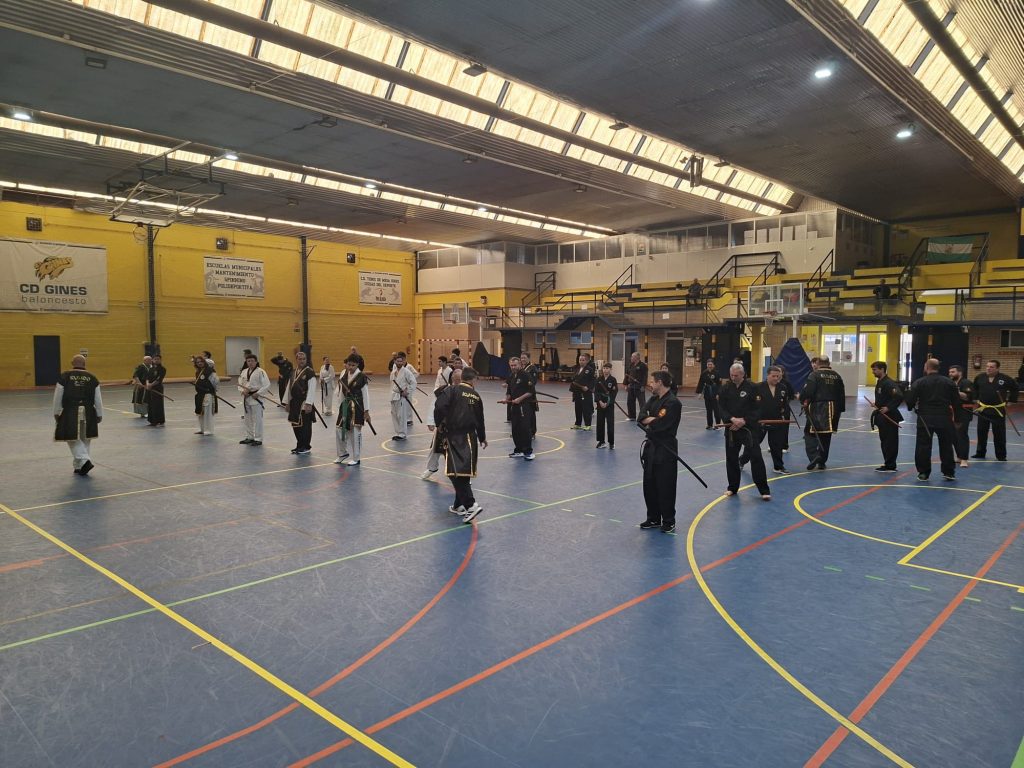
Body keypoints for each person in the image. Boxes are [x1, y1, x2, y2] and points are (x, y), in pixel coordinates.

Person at [434, 366, 487, 522]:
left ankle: (470, 505)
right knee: (462, 472)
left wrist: (440, 424)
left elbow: (439, 407)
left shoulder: (452, 390)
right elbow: (480, 419)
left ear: (462, 377)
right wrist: (482, 437)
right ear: (473, 379)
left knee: (455, 472)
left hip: (455, 436)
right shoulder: (476, 396)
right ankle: (459, 505)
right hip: (471, 437)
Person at [638, 370, 683, 532]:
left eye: (652, 381)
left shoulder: (673, 403)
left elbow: (661, 425)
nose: (650, 384)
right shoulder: (653, 399)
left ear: (660, 382)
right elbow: (641, 417)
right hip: (651, 448)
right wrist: (652, 419)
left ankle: (668, 520)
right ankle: (654, 518)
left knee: (665, 486)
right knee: (649, 485)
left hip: (666, 448)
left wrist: (651, 420)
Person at [718, 362, 772, 500]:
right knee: (731, 459)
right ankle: (732, 487)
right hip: (731, 428)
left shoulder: (753, 387)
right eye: (731, 375)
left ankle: (764, 490)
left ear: (743, 374)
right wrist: (732, 419)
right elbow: (721, 407)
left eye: (736, 375)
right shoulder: (725, 388)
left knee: (756, 457)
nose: (733, 378)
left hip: (749, 428)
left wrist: (744, 420)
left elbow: (758, 408)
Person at [905, 358, 958, 481]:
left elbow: (910, 400)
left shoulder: (919, 382)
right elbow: (956, 401)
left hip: (925, 419)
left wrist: (911, 406)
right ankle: (949, 472)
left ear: (927, 367)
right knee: (946, 445)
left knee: (923, 446)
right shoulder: (949, 382)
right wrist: (957, 418)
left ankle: (923, 473)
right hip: (944, 418)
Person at [53, 354, 103, 475]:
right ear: (84, 364)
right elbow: (98, 398)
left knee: (70, 437)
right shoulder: (93, 378)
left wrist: (56, 412)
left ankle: (84, 460)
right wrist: (99, 413)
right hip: (89, 411)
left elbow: (58, 396)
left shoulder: (65, 376)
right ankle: (79, 466)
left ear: (72, 363)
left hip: (70, 411)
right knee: (85, 438)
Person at [800, 356, 845, 470]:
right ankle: (822, 462)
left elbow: (808, 391)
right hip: (835, 408)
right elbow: (841, 393)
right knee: (826, 435)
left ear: (818, 363)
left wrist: (802, 399)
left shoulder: (814, 375)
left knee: (809, 433)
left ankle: (814, 456)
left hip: (819, 407)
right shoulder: (837, 375)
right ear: (829, 363)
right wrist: (840, 410)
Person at [422, 357, 462, 479]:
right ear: (452, 378)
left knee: (458, 450)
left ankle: (461, 474)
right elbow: (435, 405)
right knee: (435, 447)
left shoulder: (466, 391)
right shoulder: (443, 390)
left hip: (458, 426)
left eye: (461, 378)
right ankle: (432, 468)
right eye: (457, 378)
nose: (459, 380)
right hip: (443, 425)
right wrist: (431, 421)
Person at [972, 359, 1020, 461]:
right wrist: (975, 398)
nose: (988, 368)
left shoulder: (1005, 378)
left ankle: (1001, 455)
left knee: (999, 434)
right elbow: (974, 388)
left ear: (997, 368)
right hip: (983, 409)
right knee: (981, 432)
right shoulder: (980, 377)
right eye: (987, 366)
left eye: (991, 367)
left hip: (998, 409)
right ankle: (980, 453)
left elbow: (1015, 388)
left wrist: (1012, 400)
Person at [749, 365, 791, 474]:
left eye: (778, 376)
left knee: (776, 445)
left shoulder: (783, 388)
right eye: (773, 376)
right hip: (760, 421)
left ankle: (778, 466)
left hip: (776, 421)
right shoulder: (758, 387)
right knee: (754, 444)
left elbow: (785, 405)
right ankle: (742, 461)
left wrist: (784, 416)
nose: (776, 378)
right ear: (767, 375)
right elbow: (751, 405)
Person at [336, 354, 370, 466]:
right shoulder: (344, 375)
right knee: (339, 429)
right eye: (349, 365)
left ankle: (356, 458)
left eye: (353, 365)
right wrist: (340, 406)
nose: (350, 367)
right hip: (345, 406)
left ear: (357, 365)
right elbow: (342, 392)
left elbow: (365, 395)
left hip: (357, 407)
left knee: (355, 432)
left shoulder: (361, 377)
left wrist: (366, 411)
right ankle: (342, 453)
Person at [869, 361, 903, 472]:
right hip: (882, 416)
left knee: (890, 441)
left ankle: (891, 465)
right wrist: (877, 404)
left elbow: (898, 396)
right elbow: (884, 397)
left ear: (882, 369)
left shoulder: (889, 383)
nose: (873, 372)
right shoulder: (880, 382)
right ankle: (888, 463)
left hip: (890, 416)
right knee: (885, 441)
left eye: (875, 370)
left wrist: (888, 407)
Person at [502, 356, 536, 460]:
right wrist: (506, 399)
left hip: (524, 406)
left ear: (520, 364)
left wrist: (519, 399)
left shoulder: (525, 375)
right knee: (515, 428)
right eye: (511, 365)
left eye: (515, 365)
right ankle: (519, 450)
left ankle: (528, 452)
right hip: (514, 406)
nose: (513, 367)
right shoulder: (512, 375)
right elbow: (509, 391)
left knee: (525, 428)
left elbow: (530, 391)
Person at [283, 350, 317, 454]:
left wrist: (309, 403)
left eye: (304, 359)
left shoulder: (309, 372)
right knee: (295, 424)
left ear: (306, 360)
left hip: (304, 402)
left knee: (305, 425)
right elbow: (289, 387)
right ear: (296, 360)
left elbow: (312, 388)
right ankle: (299, 445)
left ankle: (306, 446)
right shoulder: (293, 372)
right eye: (300, 359)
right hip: (294, 402)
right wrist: (287, 402)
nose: (302, 361)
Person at [237, 353, 271, 446]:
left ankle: (258, 439)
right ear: (246, 362)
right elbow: (239, 383)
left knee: (257, 419)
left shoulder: (261, 372)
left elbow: (266, 385)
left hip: (256, 397)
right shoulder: (244, 371)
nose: (250, 363)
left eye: (252, 361)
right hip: (247, 397)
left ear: (256, 362)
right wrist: (242, 391)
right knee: (247, 419)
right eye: (248, 361)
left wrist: (258, 393)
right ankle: (250, 437)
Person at [948, 365, 975, 468]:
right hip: (951, 412)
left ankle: (964, 459)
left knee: (961, 435)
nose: (950, 374)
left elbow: (967, 396)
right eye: (950, 372)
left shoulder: (966, 383)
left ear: (959, 372)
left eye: (953, 372)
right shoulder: (950, 383)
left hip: (963, 412)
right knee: (953, 435)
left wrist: (955, 391)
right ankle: (959, 456)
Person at [389, 351, 417, 440]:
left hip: (401, 396)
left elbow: (413, 383)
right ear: (394, 361)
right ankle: (398, 432)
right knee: (394, 415)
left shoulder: (406, 372)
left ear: (403, 362)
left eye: (401, 361)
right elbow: (391, 385)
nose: (399, 363)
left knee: (401, 415)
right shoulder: (393, 372)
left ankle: (402, 434)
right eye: (398, 361)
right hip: (394, 396)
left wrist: (407, 391)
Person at [192, 354, 219, 435]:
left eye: (201, 361)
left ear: (204, 362)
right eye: (197, 362)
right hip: (200, 394)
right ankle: (202, 429)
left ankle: (208, 430)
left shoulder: (210, 370)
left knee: (207, 413)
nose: (199, 363)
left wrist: (212, 390)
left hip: (208, 394)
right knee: (200, 413)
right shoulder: (198, 371)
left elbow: (216, 381)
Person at [594, 362, 618, 450]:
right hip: (600, 404)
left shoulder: (613, 380)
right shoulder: (599, 379)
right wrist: (600, 402)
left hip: (609, 405)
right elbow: (596, 392)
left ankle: (611, 442)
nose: (605, 370)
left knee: (610, 424)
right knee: (600, 423)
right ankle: (601, 442)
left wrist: (607, 403)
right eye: (604, 368)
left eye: (607, 368)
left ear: (610, 369)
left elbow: (614, 393)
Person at [571, 352, 596, 430]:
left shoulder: (590, 370)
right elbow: (574, 379)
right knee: (578, 408)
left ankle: (588, 425)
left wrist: (588, 387)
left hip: (585, 392)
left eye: (583, 360)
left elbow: (593, 380)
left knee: (586, 409)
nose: (581, 361)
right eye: (580, 360)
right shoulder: (576, 368)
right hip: (577, 391)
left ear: (587, 361)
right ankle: (578, 424)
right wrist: (573, 391)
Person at [696, 359, 722, 429]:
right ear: (706, 365)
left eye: (711, 364)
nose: (709, 366)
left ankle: (718, 424)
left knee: (716, 410)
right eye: (708, 364)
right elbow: (701, 383)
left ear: (713, 365)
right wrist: (700, 393)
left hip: (715, 392)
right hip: (707, 392)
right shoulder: (704, 373)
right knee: (708, 410)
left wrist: (718, 394)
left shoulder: (717, 373)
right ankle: (709, 424)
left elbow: (719, 384)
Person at [520, 352, 540, 436]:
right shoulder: (521, 368)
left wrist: (522, 385)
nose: (522, 359)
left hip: (529, 394)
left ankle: (532, 431)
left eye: (524, 358)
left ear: (528, 358)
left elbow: (533, 382)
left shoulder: (532, 368)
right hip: (521, 394)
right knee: (522, 413)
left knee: (530, 413)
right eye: (521, 358)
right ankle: (523, 430)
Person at [624, 352, 648, 420]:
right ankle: (632, 416)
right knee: (630, 402)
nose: (631, 358)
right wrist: (626, 384)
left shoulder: (643, 365)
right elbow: (627, 374)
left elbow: (645, 376)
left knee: (642, 403)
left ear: (637, 357)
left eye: (632, 356)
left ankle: (644, 416)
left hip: (639, 386)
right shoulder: (631, 365)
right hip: (631, 386)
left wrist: (643, 386)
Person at [146, 354, 167, 427]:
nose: (156, 360)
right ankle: (152, 420)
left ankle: (159, 420)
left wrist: (151, 385)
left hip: (157, 388)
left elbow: (159, 379)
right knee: (151, 404)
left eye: (158, 359)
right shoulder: (151, 368)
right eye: (155, 359)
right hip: (150, 389)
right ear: (152, 360)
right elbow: (147, 378)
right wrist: (147, 384)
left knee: (157, 405)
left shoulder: (162, 369)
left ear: (160, 360)